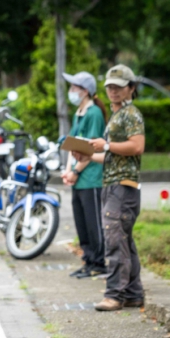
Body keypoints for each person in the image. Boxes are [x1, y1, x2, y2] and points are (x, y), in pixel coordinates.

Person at [86, 64, 146, 312]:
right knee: (124, 242)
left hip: (123, 188)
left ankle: (114, 295)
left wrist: (107, 146)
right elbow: (113, 155)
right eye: (110, 86)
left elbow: (137, 146)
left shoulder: (131, 114)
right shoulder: (118, 114)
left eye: (119, 87)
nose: (113, 91)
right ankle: (133, 294)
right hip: (116, 185)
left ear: (131, 88)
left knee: (114, 241)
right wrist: (89, 154)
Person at [61, 71, 107, 279]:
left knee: (93, 222)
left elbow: (92, 148)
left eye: (74, 87)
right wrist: (69, 171)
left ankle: (98, 262)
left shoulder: (94, 113)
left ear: (85, 91)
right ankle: (88, 260)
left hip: (91, 177)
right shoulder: (79, 113)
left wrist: (76, 172)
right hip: (79, 178)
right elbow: (73, 145)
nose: (71, 91)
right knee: (82, 223)